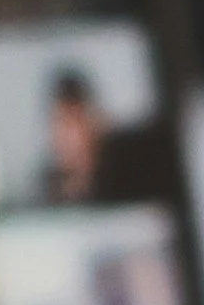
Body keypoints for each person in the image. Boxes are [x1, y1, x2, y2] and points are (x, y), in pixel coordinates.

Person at [36, 69, 169, 205]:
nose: (61, 134)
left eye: (70, 122)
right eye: (56, 122)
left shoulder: (128, 170)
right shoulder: (49, 183)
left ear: (95, 121)